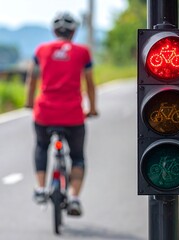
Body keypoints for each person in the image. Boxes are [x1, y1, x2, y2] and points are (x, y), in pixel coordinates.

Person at [25, 12, 97, 216]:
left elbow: (31, 79)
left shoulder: (41, 50)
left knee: (41, 145)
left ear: (54, 31)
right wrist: (92, 108)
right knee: (77, 157)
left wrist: (30, 102)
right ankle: (74, 197)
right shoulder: (83, 52)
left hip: (45, 112)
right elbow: (90, 84)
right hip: (73, 114)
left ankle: (40, 189)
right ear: (74, 32)